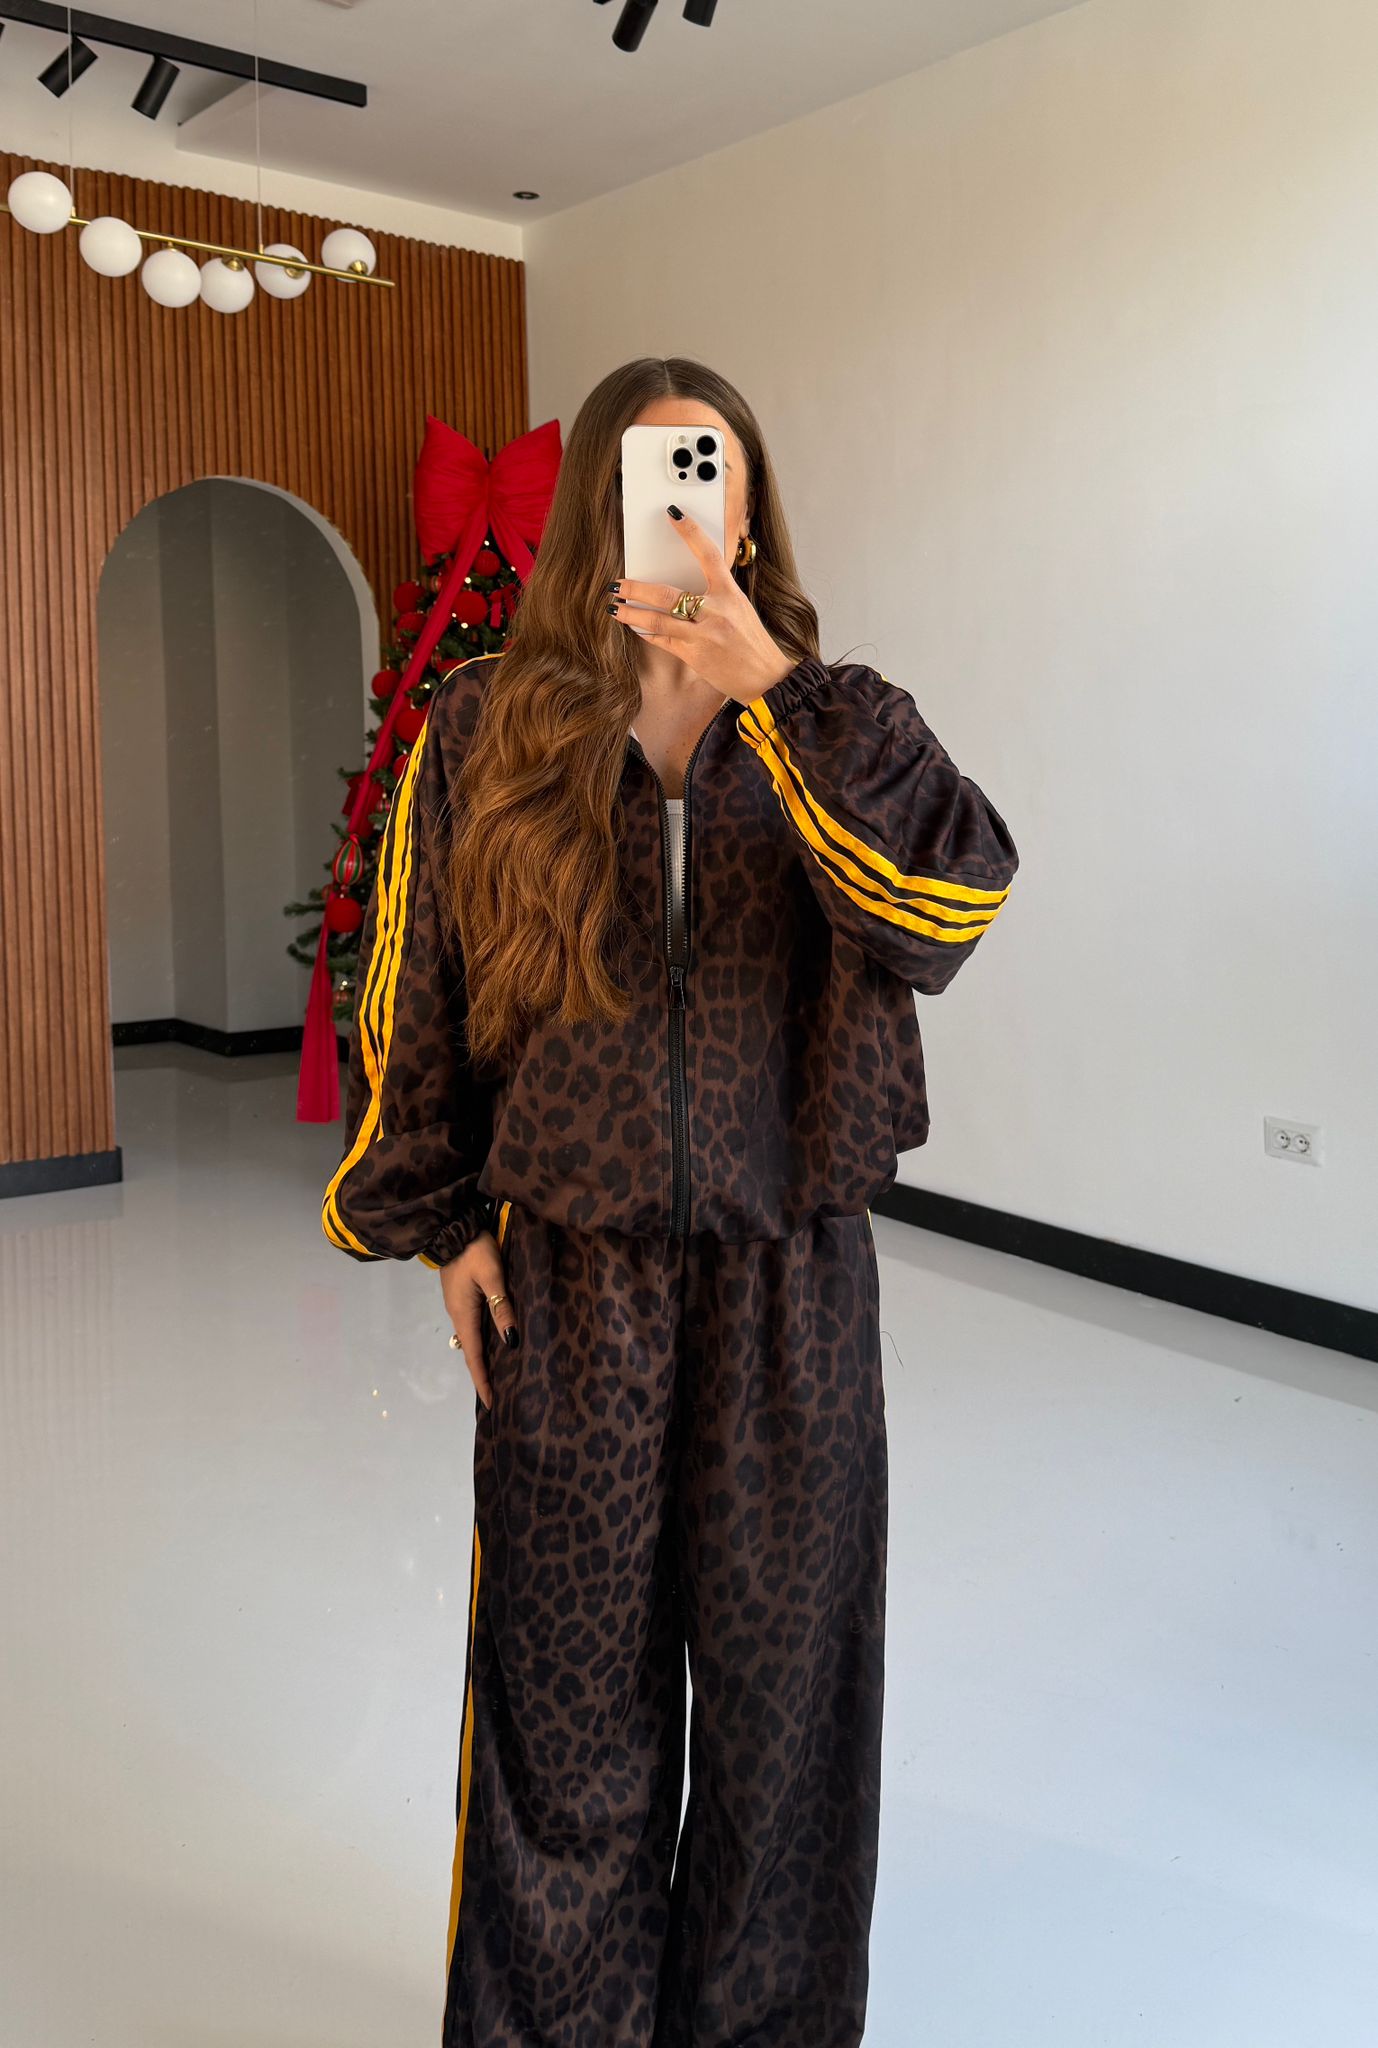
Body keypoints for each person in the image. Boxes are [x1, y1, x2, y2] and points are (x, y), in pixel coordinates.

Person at [321, 356, 1019, 2048]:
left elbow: (946, 906)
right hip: (574, 1281)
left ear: (750, 508)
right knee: (564, 1715)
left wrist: (771, 690)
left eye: (711, 472)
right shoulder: (487, 724)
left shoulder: (841, 719)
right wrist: (441, 1220)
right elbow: (415, 984)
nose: (684, 506)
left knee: (787, 1724)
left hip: (794, 1287)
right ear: (595, 511)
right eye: (651, 476)